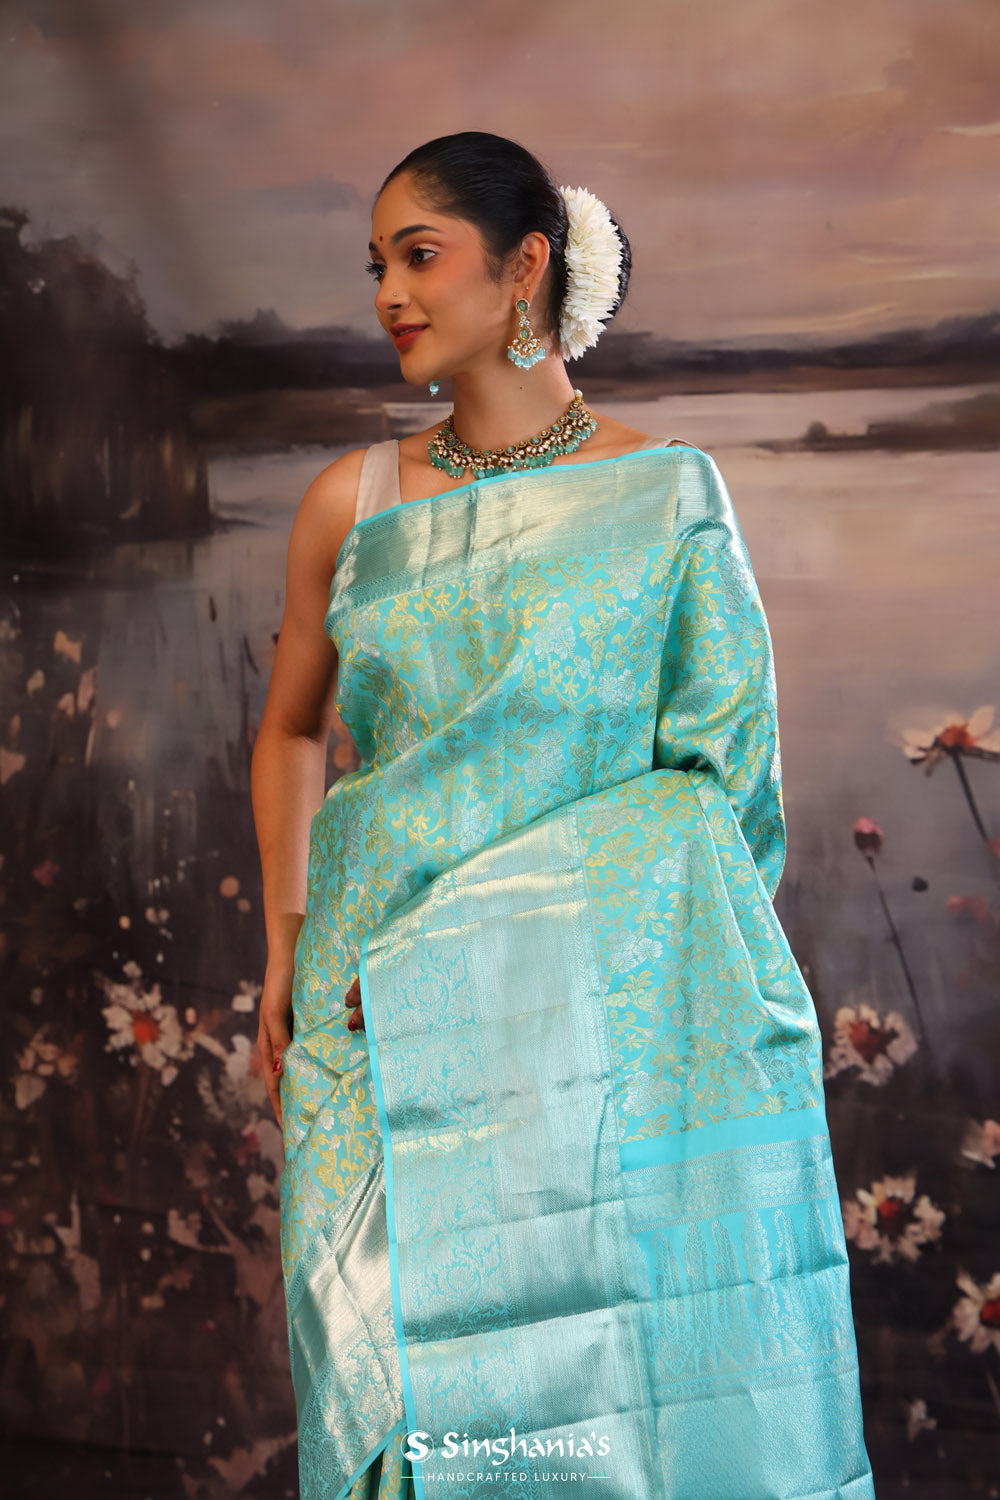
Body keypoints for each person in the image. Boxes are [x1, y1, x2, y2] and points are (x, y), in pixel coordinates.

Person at [251, 131, 875, 1500]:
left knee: (616, 1395)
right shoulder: (350, 505)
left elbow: (720, 804)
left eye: (421, 256)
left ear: (525, 264)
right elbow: (292, 729)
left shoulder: (667, 499)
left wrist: (494, 956)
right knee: (391, 1400)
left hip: (590, 1040)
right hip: (371, 1024)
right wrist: (286, 942)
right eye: (376, 265)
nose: (388, 294)